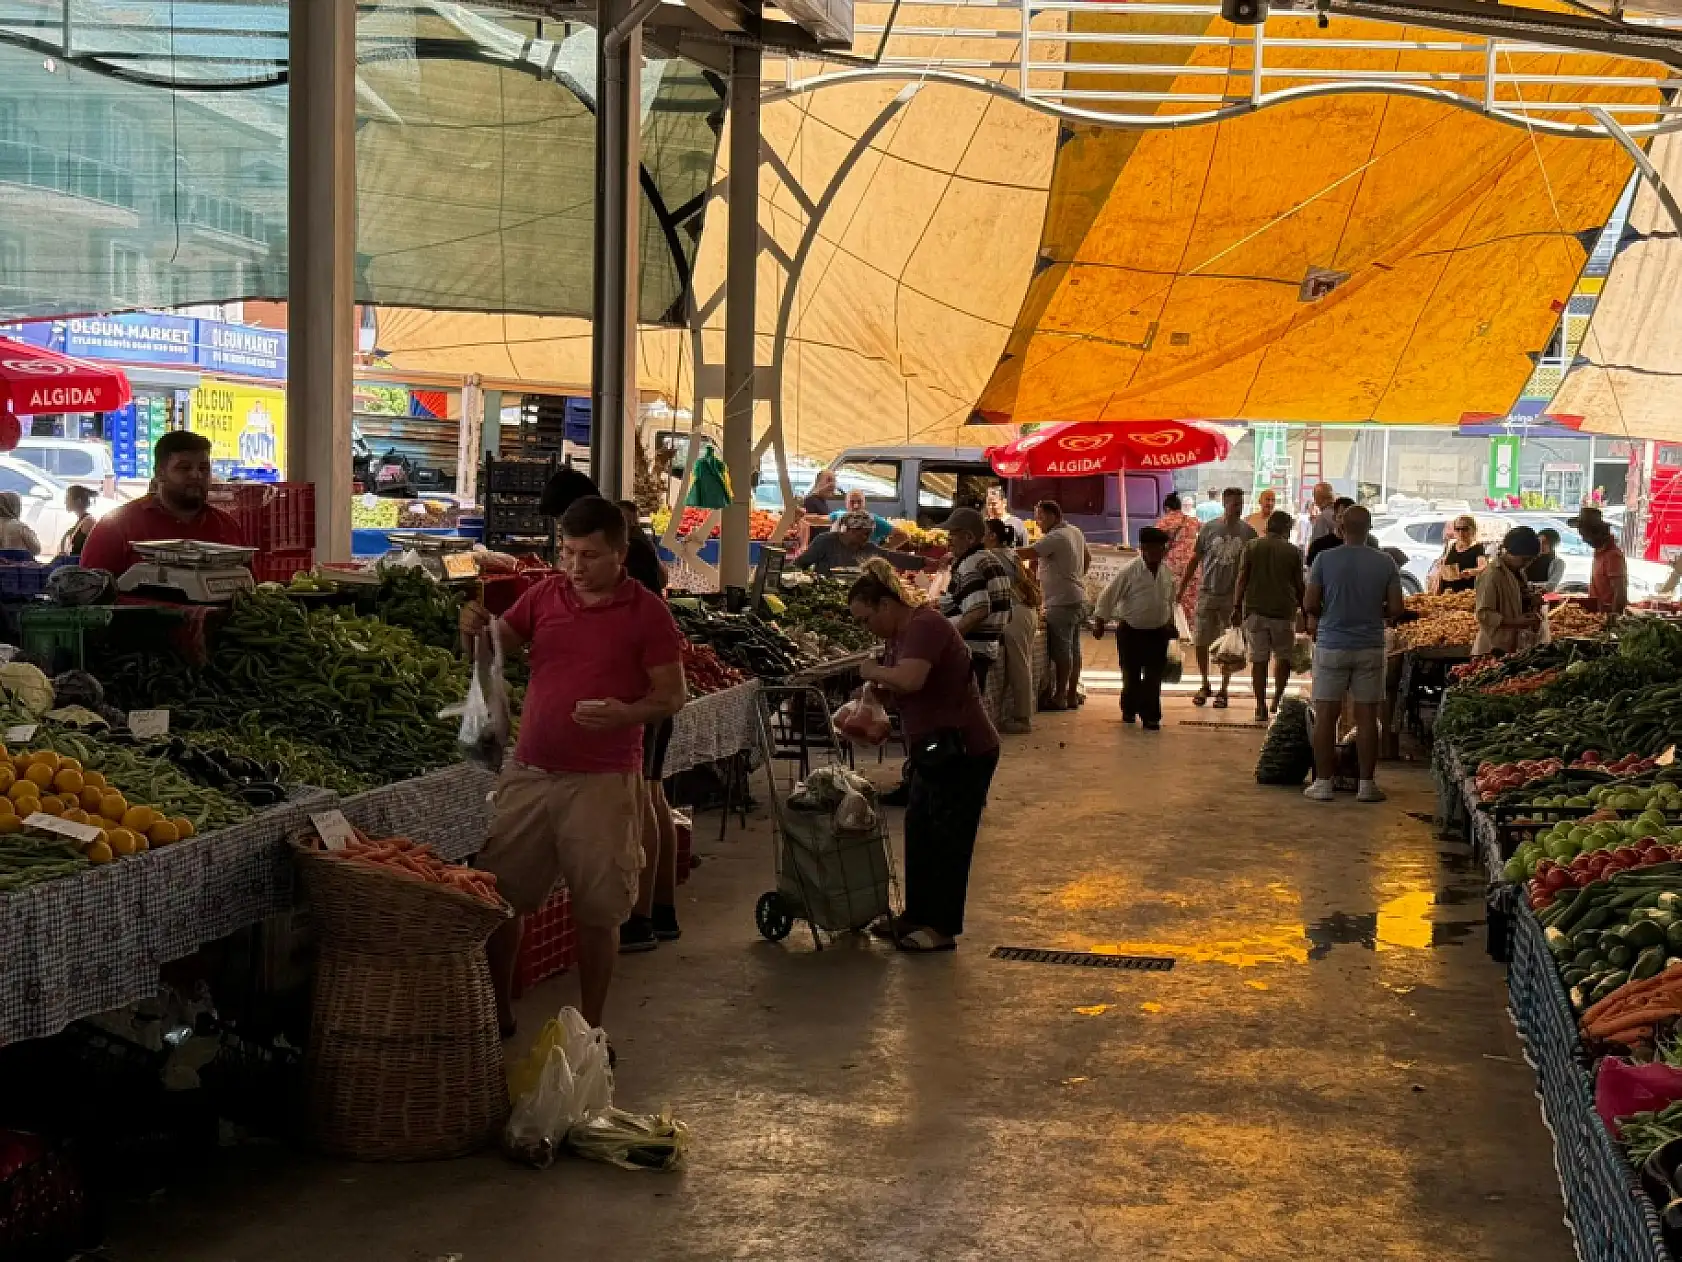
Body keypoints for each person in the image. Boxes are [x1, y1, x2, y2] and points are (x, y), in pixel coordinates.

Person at [463, 496, 687, 1042]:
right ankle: (500, 1013)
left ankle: (592, 1027)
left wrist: (625, 714)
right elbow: (498, 650)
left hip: (604, 781)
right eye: (567, 552)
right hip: (531, 773)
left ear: (620, 553)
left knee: (599, 909)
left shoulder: (647, 613)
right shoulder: (545, 596)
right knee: (501, 895)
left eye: (588, 555)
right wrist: (476, 631)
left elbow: (673, 694)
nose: (575, 567)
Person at [853, 571, 1000, 953]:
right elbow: (904, 687)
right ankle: (916, 915)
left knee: (949, 839)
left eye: (866, 619)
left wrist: (872, 672)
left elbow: (912, 678)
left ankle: (942, 929)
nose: (866, 628)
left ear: (886, 604)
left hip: (963, 748)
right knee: (921, 831)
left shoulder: (925, 625)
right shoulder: (897, 636)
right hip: (932, 749)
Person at [613, 500, 682, 955]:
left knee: (644, 797)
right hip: (656, 704)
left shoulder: (638, 606)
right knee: (654, 795)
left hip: (645, 703)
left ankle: (640, 919)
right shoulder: (650, 585)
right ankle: (661, 911)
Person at [1303, 506, 1404, 804]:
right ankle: (1366, 785)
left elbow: (1310, 603)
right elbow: (1396, 609)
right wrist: (1374, 612)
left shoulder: (1324, 559)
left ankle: (1323, 783)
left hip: (1332, 644)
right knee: (1367, 717)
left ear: (1341, 527)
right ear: (1370, 527)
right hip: (1370, 647)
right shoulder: (1385, 562)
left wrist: (1331, 613)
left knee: (1326, 716)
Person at [80, 431, 245, 575]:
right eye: (184, 468)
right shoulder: (116, 526)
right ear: (160, 474)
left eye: (203, 468)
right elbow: (89, 594)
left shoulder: (228, 527)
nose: (196, 475)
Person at [1177, 487, 1255, 709]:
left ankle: (1224, 688)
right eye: (1233, 504)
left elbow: (1251, 569)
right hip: (1208, 592)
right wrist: (1181, 588)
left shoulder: (1248, 534)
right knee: (1201, 641)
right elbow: (1195, 559)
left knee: (1228, 646)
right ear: (1224, 503)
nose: (1237, 508)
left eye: (1240, 504)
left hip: (1232, 597)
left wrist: (1244, 601)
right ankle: (1204, 683)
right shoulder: (1209, 529)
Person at [1092, 526, 1177, 730]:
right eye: (1154, 548)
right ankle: (1129, 709)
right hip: (1132, 632)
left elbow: (1169, 601)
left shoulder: (1166, 573)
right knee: (1131, 675)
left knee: (1154, 677)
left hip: (1158, 632)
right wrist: (1100, 622)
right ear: (1144, 548)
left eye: (1162, 548)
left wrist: (1171, 624)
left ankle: (1151, 716)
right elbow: (1108, 595)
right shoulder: (1130, 570)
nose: (1159, 552)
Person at [1231, 510, 1304, 722]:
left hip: (1255, 611)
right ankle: (1277, 699)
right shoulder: (1292, 552)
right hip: (1283, 612)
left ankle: (1260, 705)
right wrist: (1306, 611)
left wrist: (1236, 606)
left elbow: (1242, 579)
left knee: (1259, 660)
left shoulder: (1252, 547)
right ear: (1286, 529)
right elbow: (1299, 585)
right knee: (1283, 658)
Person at [1019, 500, 1090, 711]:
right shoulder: (1074, 531)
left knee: (1062, 652)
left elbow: (1028, 553)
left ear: (1052, 516)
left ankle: (1060, 697)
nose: (1037, 522)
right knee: (1073, 650)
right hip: (1076, 597)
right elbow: (1088, 557)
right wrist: (1075, 577)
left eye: (1040, 517)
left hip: (1062, 602)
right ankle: (1070, 695)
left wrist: (998, 551)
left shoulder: (1056, 537)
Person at [939, 508, 1014, 700]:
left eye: (953, 534)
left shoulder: (970, 564)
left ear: (970, 537)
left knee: (961, 710)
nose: (948, 540)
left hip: (971, 651)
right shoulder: (988, 558)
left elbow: (978, 610)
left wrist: (949, 642)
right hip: (983, 649)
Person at [985, 517, 1039, 734]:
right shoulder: (1010, 553)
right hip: (1024, 612)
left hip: (1015, 613)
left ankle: (1023, 718)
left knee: (1019, 665)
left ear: (992, 536)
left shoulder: (993, 556)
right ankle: (1016, 713)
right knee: (1019, 664)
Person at [1473, 526, 1544, 656]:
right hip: (1494, 647)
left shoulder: (1518, 572)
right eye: (1524, 559)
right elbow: (1483, 614)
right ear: (1509, 552)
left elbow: (1514, 598)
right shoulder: (1492, 575)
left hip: (1514, 644)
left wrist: (1530, 598)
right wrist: (1515, 621)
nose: (1527, 563)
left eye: (1531, 560)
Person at [792, 511, 929, 577]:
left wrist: (927, 562)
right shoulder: (825, 541)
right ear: (850, 530)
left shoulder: (868, 548)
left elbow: (894, 558)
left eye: (869, 534)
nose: (867, 538)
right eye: (864, 533)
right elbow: (800, 563)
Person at [1155, 492, 1200, 626]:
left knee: (1171, 594)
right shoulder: (1193, 520)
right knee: (1190, 596)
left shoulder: (1165, 521)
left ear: (1167, 508)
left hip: (1173, 563)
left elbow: (1154, 542)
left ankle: (1172, 625)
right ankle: (1188, 628)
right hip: (1192, 563)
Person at [616, 499, 667, 596]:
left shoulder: (640, 549)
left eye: (635, 525)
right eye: (626, 524)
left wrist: (651, 549)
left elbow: (662, 581)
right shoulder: (608, 553)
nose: (631, 530)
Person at [1585, 517, 1629, 616]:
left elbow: (1620, 592)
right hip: (1596, 613)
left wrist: (1613, 618)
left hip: (1607, 615)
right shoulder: (1599, 552)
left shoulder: (1613, 555)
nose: (1584, 540)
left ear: (1598, 534)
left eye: (1586, 536)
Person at [1433, 515, 1486, 593]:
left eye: (1465, 529)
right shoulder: (1451, 545)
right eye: (1457, 529)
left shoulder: (1477, 548)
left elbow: (1483, 567)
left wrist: (1472, 571)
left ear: (1473, 530)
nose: (1461, 533)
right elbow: (1443, 568)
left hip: (1465, 594)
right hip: (1446, 594)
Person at [1304, 498, 1357, 567]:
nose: (1344, 521)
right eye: (1341, 517)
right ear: (1334, 517)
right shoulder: (1318, 546)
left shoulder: (1366, 544)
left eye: (1349, 518)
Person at [828, 489, 894, 543]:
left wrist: (884, 552)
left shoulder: (875, 520)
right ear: (846, 503)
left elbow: (899, 535)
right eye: (852, 502)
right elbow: (820, 520)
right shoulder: (838, 515)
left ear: (864, 503)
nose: (856, 506)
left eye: (859, 502)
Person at [1527, 527, 1567, 592]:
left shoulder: (1558, 562)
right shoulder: (1528, 558)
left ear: (1553, 544)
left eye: (1545, 542)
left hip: (1542, 598)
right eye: (1540, 541)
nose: (1541, 545)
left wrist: (1527, 585)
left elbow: (1551, 586)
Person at [59, 485, 95, 556]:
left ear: (78, 501)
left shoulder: (88, 523)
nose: (65, 502)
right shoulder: (83, 521)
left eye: (67, 499)